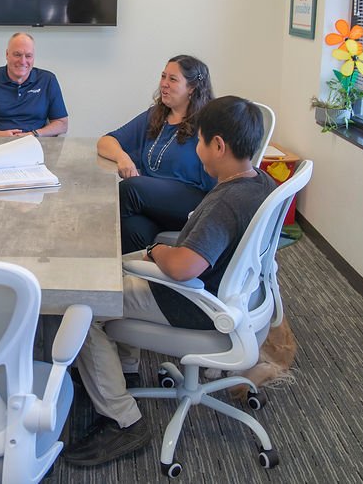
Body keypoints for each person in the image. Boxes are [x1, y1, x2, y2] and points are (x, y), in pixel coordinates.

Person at [64, 96, 277, 467]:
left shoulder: (225, 203)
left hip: (191, 299)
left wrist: (156, 252)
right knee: (109, 268)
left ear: (218, 146)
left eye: (199, 140)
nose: (196, 148)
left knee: (82, 303)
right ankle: (124, 369)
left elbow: (182, 266)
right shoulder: (260, 182)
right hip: (231, 293)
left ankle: (123, 420)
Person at [98, 55, 216, 254]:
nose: (164, 84)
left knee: (130, 189)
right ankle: (125, 271)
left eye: (173, 79)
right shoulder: (156, 115)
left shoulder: (206, 124)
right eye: (163, 76)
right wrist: (122, 157)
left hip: (192, 203)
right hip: (152, 204)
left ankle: (91, 250)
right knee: (132, 229)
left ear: (192, 88)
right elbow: (105, 142)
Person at [0, 32, 68, 137]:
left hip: (36, 142)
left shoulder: (47, 80)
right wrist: (1, 135)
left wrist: (33, 134)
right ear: (7, 54)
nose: (23, 61)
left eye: (28, 56)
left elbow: (62, 124)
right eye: (17, 55)